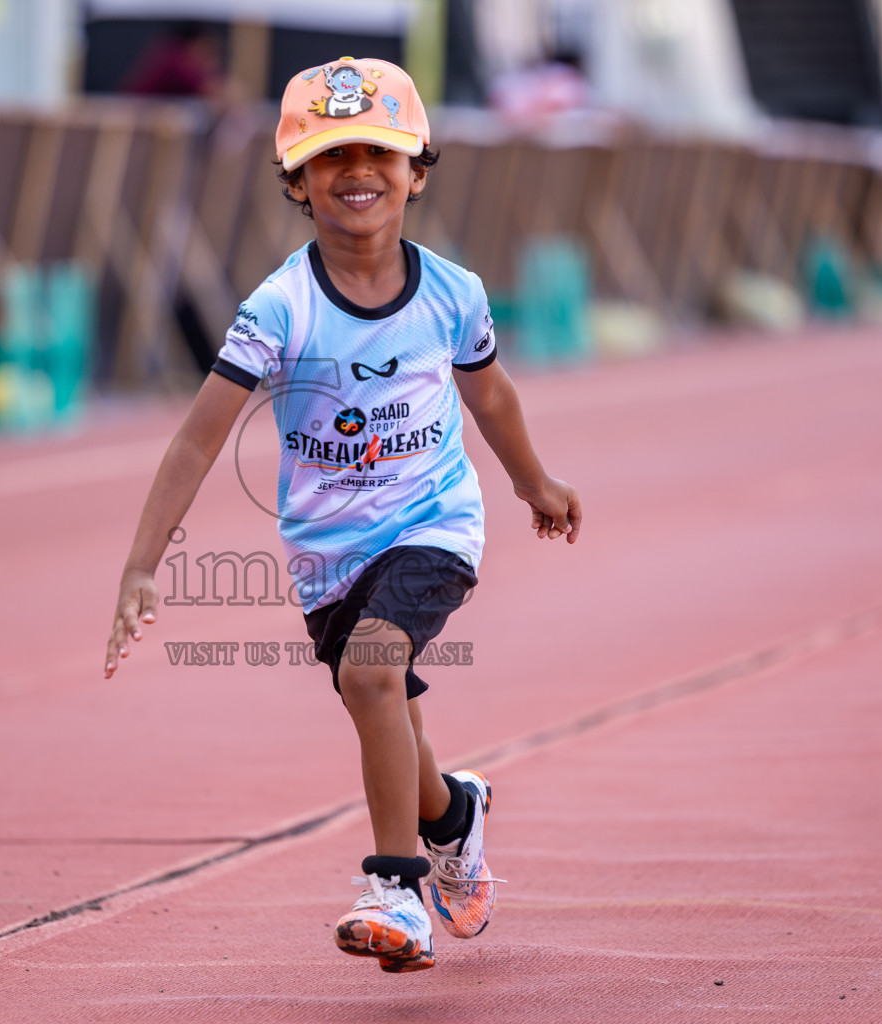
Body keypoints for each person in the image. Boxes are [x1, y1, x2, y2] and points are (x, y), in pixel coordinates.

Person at [104, 56, 581, 973]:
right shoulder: (280, 308)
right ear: (296, 180)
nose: (357, 172)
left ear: (417, 171)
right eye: (330, 158)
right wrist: (141, 563)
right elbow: (199, 440)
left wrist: (533, 483)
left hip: (434, 524)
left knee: (371, 674)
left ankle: (394, 890)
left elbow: (491, 399)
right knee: (387, 710)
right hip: (327, 553)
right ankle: (454, 813)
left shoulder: (452, 293)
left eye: (379, 153)